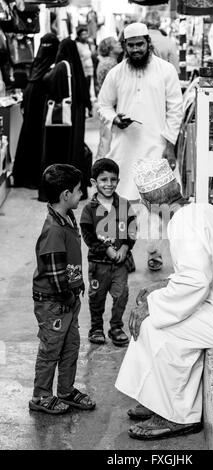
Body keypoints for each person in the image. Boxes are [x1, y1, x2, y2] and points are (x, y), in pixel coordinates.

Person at [115, 159, 213, 440]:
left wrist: (152, 305)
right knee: (153, 319)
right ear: (176, 188)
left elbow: (196, 281)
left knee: (155, 327)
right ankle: (158, 400)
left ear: (147, 204)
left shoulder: (182, 224)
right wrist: (159, 288)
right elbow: (200, 273)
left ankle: (179, 416)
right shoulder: (200, 209)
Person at [98, 22, 183, 271]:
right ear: (124, 46)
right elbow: (103, 104)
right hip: (124, 149)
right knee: (123, 204)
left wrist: (169, 146)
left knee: (157, 206)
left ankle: (154, 253)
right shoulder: (116, 73)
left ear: (148, 43)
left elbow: (175, 110)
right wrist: (115, 118)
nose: (136, 50)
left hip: (156, 147)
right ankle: (124, 252)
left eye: (140, 44)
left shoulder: (165, 70)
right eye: (131, 45)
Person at [30, 164, 96, 414]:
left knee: (70, 346)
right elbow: (55, 273)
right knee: (51, 349)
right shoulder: (54, 230)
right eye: (80, 191)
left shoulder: (66, 218)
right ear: (66, 195)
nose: (83, 195)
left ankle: (66, 391)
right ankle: (41, 396)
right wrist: (68, 295)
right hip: (54, 302)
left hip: (68, 300)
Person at [80, 159, 137, 346]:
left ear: (118, 181)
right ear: (94, 183)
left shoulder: (124, 204)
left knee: (121, 295)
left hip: (120, 264)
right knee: (97, 297)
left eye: (113, 180)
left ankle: (116, 327)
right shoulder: (89, 209)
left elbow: (132, 228)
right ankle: (96, 328)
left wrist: (125, 247)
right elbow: (88, 237)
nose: (109, 184)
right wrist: (107, 249)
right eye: (103, 180)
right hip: (98, 265)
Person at [39, 38, 92, 202]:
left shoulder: (62, 66)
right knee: (73, 152)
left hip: (62, 123)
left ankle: (57, 190)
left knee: (58, 154)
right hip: (74, 118)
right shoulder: (76, 67)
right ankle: (75, 189)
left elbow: (47, 82)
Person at [13, 34, 59, 189]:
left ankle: (24, 176)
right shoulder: (53, 64)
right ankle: (35, 177)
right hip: (41, 103)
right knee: (39, 139)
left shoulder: (37, 62)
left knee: (29, 136)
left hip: (31, 99)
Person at [96, 37, 123, 159]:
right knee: (108, 143)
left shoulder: (107, 62)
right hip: (111, 107)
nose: (119, 44)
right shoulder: (110, 64)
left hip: (108, 106)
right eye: (116, 43)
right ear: (110, 48)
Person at [75, 26, 94, 101]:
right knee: (83, 88)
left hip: (90, 69)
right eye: (83, 34)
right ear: (79, 36)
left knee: (88, 87)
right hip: (83, 70)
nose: (85, 36)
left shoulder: (87, 44)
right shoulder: (77, 45)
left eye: (86, 34)